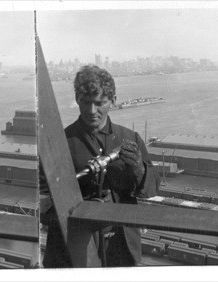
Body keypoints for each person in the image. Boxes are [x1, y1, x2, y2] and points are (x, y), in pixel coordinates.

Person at [43, 65, 160, 268]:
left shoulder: (131, 139)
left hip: (121, 245)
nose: (92, 111)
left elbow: (152, 189)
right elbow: (45, 198)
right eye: (86, 102)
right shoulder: (59, 143)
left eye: (100, 103)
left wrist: (139, 169)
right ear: (77, 100)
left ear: (112, 101)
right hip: (75, 245)